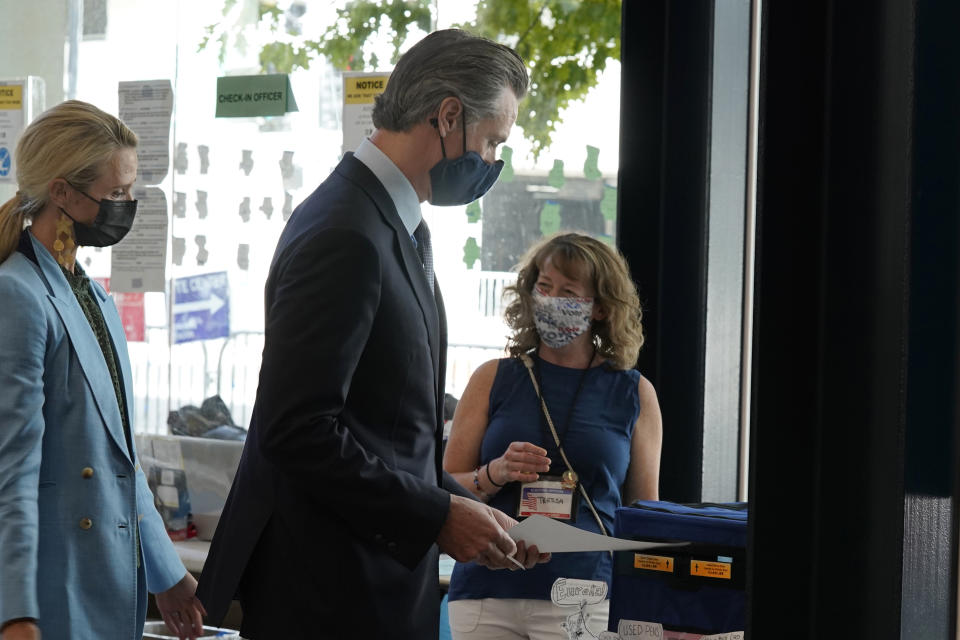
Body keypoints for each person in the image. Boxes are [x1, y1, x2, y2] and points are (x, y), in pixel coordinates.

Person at [196, 29, 547, 639]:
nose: (492, 162)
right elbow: (298, 431)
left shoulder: (393, 225)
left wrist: (472, 515)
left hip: (368, 581)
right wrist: (437, 515)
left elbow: (384, 432)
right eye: (493, 141)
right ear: (447, 116)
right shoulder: (347, 232)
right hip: (330, 592)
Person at [0, 100, 206, 640]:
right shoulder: (18, 293)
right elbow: (12, 472)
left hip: (104, 575)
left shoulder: (92, 295)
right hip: (51, 591)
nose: (128, 206)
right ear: (63, 192)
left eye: (131, 191)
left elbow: (120, 456)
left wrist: (165, 569)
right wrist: (14, 612)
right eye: (116, 194)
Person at [443, 232, 664, 639]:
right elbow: (443, 488)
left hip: (585, 598)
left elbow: (642, 515)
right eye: (543, 287)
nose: (550, 299)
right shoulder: (493, 378)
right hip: (485, 592)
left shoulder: (633, 393)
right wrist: (495, 473)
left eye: (567, 291)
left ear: (599, 308)